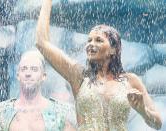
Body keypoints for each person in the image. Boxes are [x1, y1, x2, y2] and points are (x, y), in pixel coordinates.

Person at [35, 0, 162, 130]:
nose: (91, 44)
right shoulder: (79, 76)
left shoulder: (131, 80)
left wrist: (143, 111)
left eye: (99, 40)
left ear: (113, 49)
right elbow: (41, 43)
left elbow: (158, 124)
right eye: (89, 40)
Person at [0, 51, 75, 131]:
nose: (28, 73)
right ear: (18, 75)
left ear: (44, 76)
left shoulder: (62, 114)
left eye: (34, 69)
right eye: (24, 69)